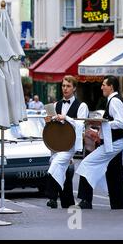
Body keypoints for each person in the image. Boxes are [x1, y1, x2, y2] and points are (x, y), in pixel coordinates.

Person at [76, 75, 123, 209]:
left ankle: (86, 201)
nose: (101, 87)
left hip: (115, 143)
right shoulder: (113, 100)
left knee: (87, 163)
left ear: (111, 86)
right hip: (115, 142)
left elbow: (121, 123)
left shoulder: (115, 101)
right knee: (114, 173)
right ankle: (117, 205)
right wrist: (99, 130)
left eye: (104, 84)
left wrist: (102, 123)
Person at [45, 75, 88, 209]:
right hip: (57, 144)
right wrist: (48, 121)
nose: (65, 88)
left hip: (71, 144)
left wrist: (66, 118)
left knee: (55, 167)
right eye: (63, 86)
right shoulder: (56, 104)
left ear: (74, 88)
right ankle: (67, 202)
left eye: (68, 86)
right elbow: (52, 128)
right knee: (63, 172)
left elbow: (81, 124)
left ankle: (52, 198)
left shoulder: (82, 106)